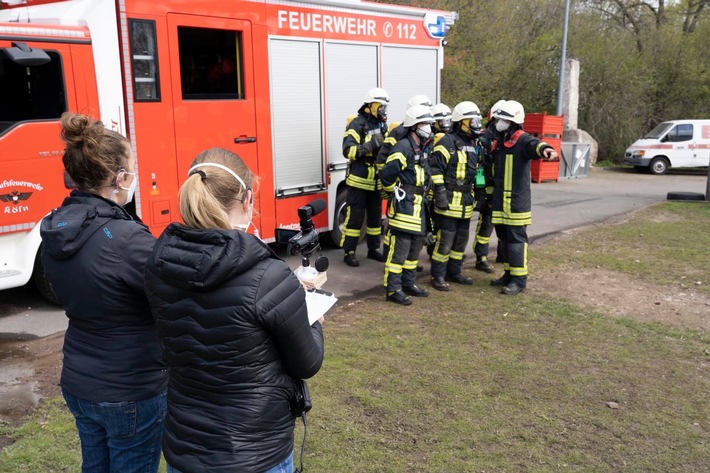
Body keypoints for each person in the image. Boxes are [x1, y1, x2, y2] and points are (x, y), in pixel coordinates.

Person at [144, 148, 325, 473]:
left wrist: (288, 296)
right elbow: (307, 362)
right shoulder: (268, 277)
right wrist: (311, 315)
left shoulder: (160, 265)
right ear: (247, 200)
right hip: (255, 454)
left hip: (185, 449)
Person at [40, 112, 168, 473]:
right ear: (120, 178)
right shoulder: (126, 239)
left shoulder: (55, 227)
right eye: (131, 169)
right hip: (130, 387)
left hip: (80, 380)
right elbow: (173, 294)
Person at [488, 100, 558, 295]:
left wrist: (547, 150)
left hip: (516, 204)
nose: (499, 122)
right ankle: (509, 275)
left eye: (503, 120)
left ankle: (519, 280)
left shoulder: (522, 140)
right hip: (501, 203)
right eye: (499, 119)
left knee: (517, 241)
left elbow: (537, 145)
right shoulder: (502, 142)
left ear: (514, 122)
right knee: (504, 239)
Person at [380, 104, 435, 305]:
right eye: (424, 123)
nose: (428, 127)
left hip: (419, 207)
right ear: (414, 126)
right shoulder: (403, 147)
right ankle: (393, 289)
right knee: (399, 251)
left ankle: (408, 283)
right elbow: (386, 174)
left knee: (414, 250)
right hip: (404, 208)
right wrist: (395, 191)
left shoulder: (422, 146)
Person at [428, 101, 482, 291]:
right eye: (472, 121)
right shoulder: (447, 141)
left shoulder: (473, 143)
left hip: (466, 202)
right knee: (444, 240)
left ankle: (455, 272)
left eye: (477, 120)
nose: (476, 124)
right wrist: (440, 193)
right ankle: (438, 275)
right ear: (461, 122)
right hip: (449, 201)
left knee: (461, 241)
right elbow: (434, 169)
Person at [341, 87, 390, 267]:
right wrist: (369, 145)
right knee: (355, 217)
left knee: (375, 218)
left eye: (385, 106)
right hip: (359, 180)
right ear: (370, 106)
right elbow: (348, 151)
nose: (383, 109)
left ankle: (373, 250)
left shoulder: (382, 125)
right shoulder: (357, 124)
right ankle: (349, 251)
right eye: (381, 106)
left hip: (376, 181)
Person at [472, 101, 505, 274]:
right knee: (486, 224)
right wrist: (482, 191)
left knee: (503, 224)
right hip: (488, 188)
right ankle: (481, 258)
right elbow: (480, 167)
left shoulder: (506, 137)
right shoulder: (485, 138)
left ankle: (502, 254)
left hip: (502, 189)